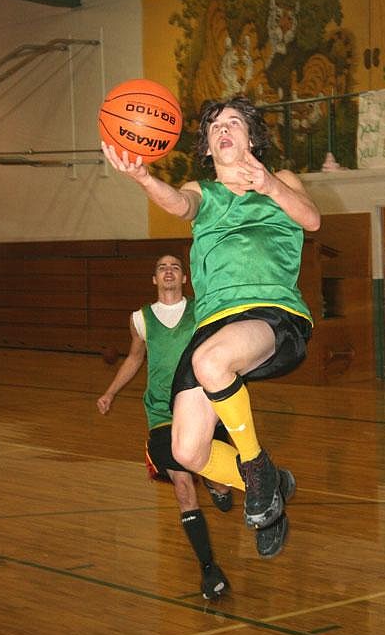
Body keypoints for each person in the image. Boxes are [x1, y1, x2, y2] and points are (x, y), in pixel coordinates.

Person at [102, 95, 319, 557]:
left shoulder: (281, 181)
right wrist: (143, 177)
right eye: (216, 125)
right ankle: (272, 487)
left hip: (272, 314)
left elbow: (312, 219)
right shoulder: (203, 191)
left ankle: (256, 466)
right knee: (186, 451)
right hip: (214, 325)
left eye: (235, 122)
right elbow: (179, 204)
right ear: (206, 147)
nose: (224, 129)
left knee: (211, 360)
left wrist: (269, 186)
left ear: (251, 138)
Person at [97, 254, 233, 600]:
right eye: (161, 267)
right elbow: (135, 357)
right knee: (183, 487)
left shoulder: (201, 310)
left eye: (174, 266)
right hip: (161, 412)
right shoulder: (140, 319)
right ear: (154, 279)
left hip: (203, 404)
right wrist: (111, 392)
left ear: (184, 278)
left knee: (216, 474)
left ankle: (219, 486)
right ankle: (209, 569)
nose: (168, 270)